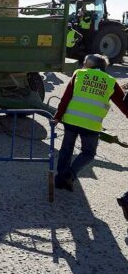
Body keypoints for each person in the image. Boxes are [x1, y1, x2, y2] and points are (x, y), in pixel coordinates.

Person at [53, 54, 128, 191]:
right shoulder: (110, 81)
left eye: (85, 62)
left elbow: (66, 98)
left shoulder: (79, 74)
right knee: (88, 153)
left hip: (71, 120)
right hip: (91, 125)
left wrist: (58, 116)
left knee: (66, 149)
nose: (83, 64)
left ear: (91, 65)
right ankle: (69, 175)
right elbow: (122, 103)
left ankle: (61, 178)